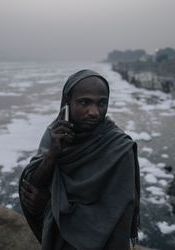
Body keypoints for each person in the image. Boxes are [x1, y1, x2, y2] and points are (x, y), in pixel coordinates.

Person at [19, 69, 140, 250]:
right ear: (67, 103)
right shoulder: (56, 133)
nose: (94, 112)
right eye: (85, 102)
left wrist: (52, 206)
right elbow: (32, 187)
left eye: (102, 103)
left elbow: (115, 214)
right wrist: (52, 154)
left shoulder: (119, 148)